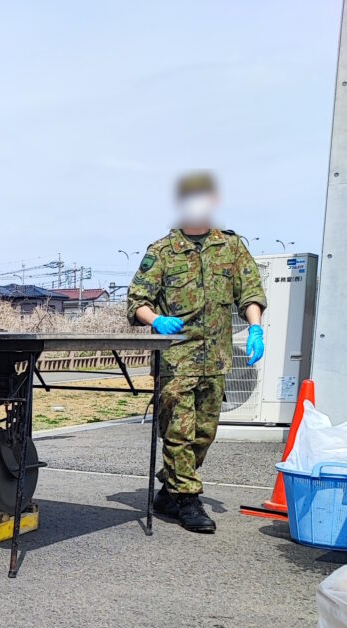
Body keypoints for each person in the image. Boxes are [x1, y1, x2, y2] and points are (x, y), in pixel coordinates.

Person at [127, 172, 267, 534]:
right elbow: (137, 301)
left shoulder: (232, 248)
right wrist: (156, 319)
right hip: (177, 361)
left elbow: (250, 292)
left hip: (217, 359)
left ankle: (168, 491)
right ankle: (188, 500)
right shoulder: (161, 252)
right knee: (179, 431)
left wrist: (255, 327)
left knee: (204, 433)